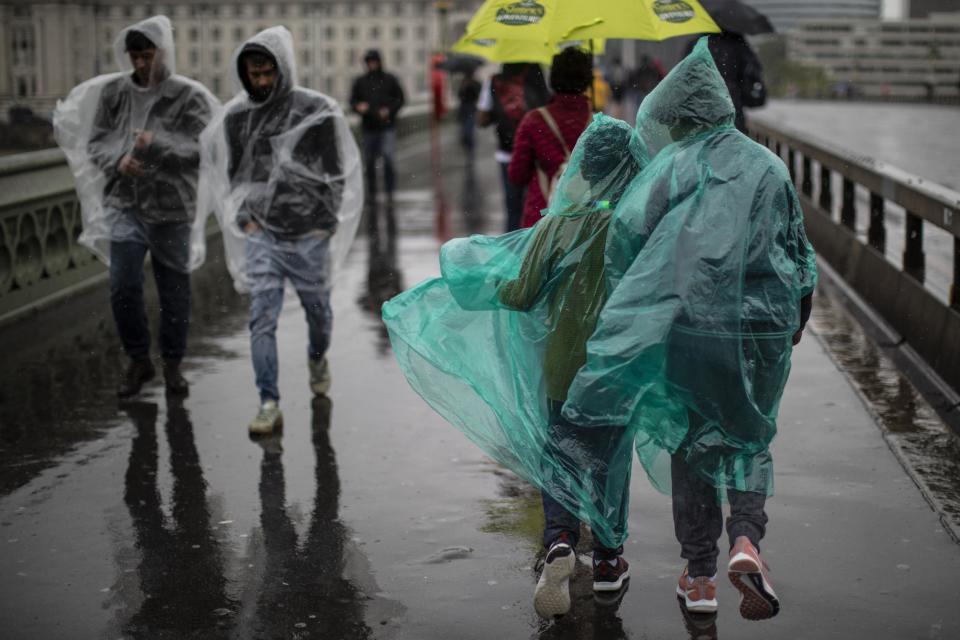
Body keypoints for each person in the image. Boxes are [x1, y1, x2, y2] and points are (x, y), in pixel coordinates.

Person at [562, 38, 817, 621]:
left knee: (691, 443)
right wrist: (794, 319)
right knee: (748, 435)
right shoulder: (769, 167)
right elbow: (799, 254)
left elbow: (627, 244)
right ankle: (747, 542)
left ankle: (699, 574)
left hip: (688, 330)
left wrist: (637, 318)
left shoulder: (671, 170)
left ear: (678, 118)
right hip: (758, 331)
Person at [498, 115, 643, 618]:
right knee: (609, 464)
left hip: (563, 372)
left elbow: (519, 294)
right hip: (618, 370)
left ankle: (560, 541)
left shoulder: (556, 226)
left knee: (560, 457)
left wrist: (491, 283)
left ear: (584, 166)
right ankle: (607, 562)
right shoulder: (637, 228)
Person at [198, 27, 363, 434]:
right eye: (253, 75)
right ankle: (268, 401)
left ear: (282, 68)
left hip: (308, 233)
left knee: (318, 315)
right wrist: (245, 220)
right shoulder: (237, 117)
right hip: (262, 234)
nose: (261, 83)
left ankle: (317, 355)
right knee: (261, 318)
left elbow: (335, 171)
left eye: (267, 73)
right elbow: (235, 176)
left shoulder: (317, 110)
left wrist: (324, 226)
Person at [53, 15, 219, 398]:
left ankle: (173, 364)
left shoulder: (187, 96)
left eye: (148, 56)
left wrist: (155, 143)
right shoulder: (115, 94)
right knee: (123, 285)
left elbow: (201, 151)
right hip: (125, 203)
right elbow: (95, 143)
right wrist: (118, 161)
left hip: (172, 207)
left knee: (174, 291)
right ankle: (139, 360)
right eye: (135, 57)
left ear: (163, 53)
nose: (142, 65)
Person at [508, 48, 594, 229]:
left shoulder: (534, 121)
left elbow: (517, 175)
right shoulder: (599, 124)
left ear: (553, 79)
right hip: (587, 221)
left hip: (542, 218)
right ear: (587, 80)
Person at [477, 62, 550, 232]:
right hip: (535, 154)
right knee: (538, 207)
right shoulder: (536, 76)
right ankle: (534, 246)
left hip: (507, 152)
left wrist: (500, 112)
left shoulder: (494, 82)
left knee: (512, 207)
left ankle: (512, 248)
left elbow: (481, 119)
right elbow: (546, 110)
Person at [350, 49, 405, 205]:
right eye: (369, 62)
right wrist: (359, 107)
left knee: (388, 158)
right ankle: (372, 193)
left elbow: (400, 99)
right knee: (369, 161)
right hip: (369, 127)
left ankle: (389, 191)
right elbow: (353, 101)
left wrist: (389, 111)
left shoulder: (389, 79)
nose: (372, 64)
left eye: (374, 61)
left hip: (387, 126)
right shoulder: (360, 82)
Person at [686, 31, 766, 133]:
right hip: (731, 122)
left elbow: (684, 86)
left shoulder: (695, 45)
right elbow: (754, 95)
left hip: (698, 123)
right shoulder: (738, 44)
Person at [457, 69, 482, 159]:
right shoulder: (463, 82)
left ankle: (471, 149)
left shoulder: (476, 83)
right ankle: (467, 147)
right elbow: (460, 96)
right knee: (463, 131)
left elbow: (479, 95)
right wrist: (463, 87)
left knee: (468, 131)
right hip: (463, 110)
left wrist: (472, 86)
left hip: (471, 110)